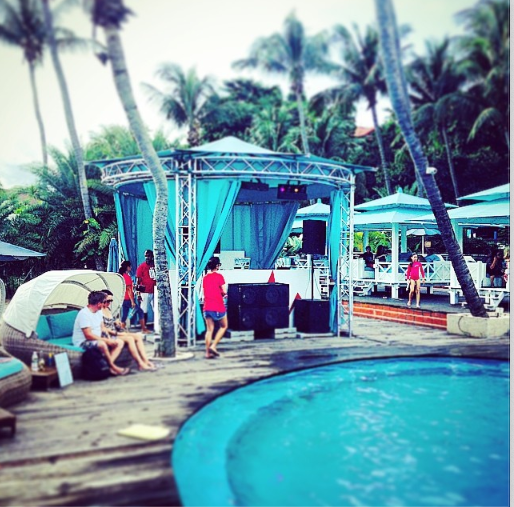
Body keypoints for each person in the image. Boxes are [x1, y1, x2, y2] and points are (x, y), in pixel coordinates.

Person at [71, 291, 129, 376]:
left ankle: (107, 366)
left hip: (97, 338)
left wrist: (108, 338)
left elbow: (103, 328)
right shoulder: (84, 314)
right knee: (102, 344)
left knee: (119, 342)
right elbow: (88, 335)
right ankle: (113, 366)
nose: (105, 304)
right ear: (99, 303)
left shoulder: (99, 312)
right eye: (104, 302)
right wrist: (106, 341)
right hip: (83, 341)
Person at [101, 290, 157, 372]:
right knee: (130, 338)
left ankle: (146, 361)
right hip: (110, 334)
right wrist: (118, 333)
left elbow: (110, 323)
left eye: (110, 301)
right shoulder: (99, 311)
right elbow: (103, 328)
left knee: (137, 336)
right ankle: (140, 363)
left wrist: (116, 322)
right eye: (107, 301)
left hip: (115, 332)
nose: (109, 303)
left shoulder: (108, 309)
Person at [202, 256, 228, 359]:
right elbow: (224, 291)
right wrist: (223, 294)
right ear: (217, 266)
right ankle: (213, 346)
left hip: (207, 306)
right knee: (224, 326)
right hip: (217, 306)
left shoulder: (205, 278)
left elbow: (206, 291)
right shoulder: (219, 276)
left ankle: (207, 353)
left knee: (209, 330)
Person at [119, 260, 151, 333]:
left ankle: (122, 329)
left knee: (124, 314)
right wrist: (132, 301)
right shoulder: (127, 277)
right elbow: (129, 290)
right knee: (140, 312)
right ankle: (144, 329)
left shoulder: (121, 276)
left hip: (123, 298)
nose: (131, 268)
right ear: (127, 267)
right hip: (128, 299)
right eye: (130, 266)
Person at [136, 250, 157, 328]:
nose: (147, 257)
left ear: (152, 257)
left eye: (149, 256)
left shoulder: (155, 266)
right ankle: (143, 327)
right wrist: (138, 294)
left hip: (155, 291)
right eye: (146, 256)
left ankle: (158, 326)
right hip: (145, 292)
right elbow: (138, 281)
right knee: (144, 309)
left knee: (157, 309)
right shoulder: (141, 267)